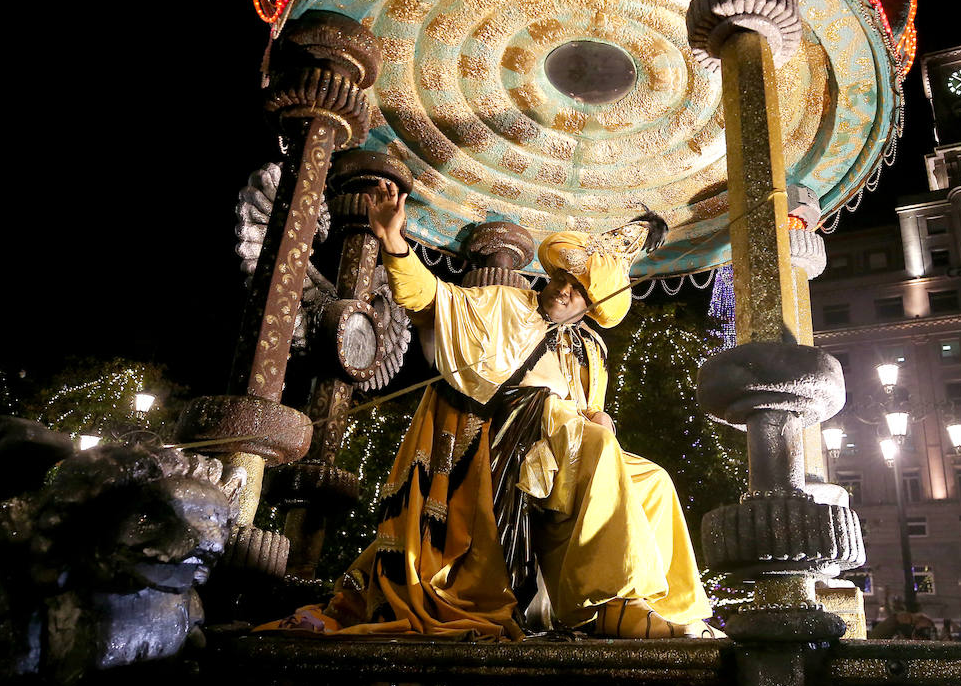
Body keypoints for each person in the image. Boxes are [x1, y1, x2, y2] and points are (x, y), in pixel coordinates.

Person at [272, 180, 714, 639]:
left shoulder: (592, 352)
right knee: (589, 438)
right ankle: (609, 603)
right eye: (562, 276)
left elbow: (590, 418)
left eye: (578, 289)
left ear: (590, 307)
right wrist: (394, 244)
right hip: (509, 445)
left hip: (564, 457)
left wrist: (601, 419)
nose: (562, 290)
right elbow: (433, 301)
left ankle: (672, 608)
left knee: (653, 480)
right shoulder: (503, 302)